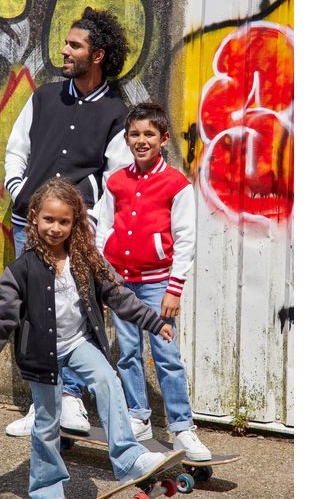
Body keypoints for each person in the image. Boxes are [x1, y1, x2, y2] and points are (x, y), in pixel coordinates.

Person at [0, 179, 173, 498]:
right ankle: (46, 488)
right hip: (41, 354)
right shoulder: (20, 271)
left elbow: (119, 296)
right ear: (34, 216)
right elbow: (3, 319)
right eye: (49, 219)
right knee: (47, 422)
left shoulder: (86, 259)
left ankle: (129, 458)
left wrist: (154, 322)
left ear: (75, 223)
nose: (55, 228)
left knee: (107, 381)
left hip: (78, 344)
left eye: (64, 221)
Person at [3, 7, 133, 436]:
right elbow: (16, 150)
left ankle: (73, 401)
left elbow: (116, 177)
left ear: (97, 56)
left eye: (74, 45)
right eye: (66, 43)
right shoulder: (43, 97)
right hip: (28, 225)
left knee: (78, 311)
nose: (64, 50)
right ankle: (43, 406)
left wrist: (92, 223)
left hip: (78, 232)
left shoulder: (116, 112)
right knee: (34, 315)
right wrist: (21, 193)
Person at [96, 103, 212, 461]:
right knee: (127, 352)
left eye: (149, 134)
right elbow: (102, 228)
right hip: (121, 284)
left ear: (163, 139)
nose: (141, 140)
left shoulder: (176, 185)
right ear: (126, 139)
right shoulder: (116, 181)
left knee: (166, 355)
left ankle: (182, 428)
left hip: (158, 284)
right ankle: (138, 417)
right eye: (134, 134)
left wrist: (174, 289)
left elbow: (185, 239)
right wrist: (105, 277)